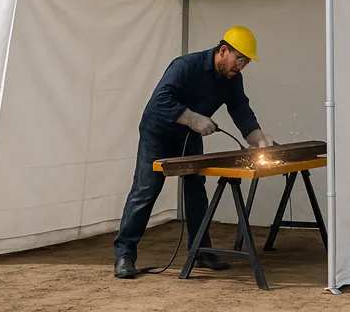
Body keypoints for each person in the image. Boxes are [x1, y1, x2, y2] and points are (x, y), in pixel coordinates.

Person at [113, 25, 276, 278]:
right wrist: (192, 118)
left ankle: (200, 250)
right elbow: (161, 100)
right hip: (158, 133)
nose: (241, 66)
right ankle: (124, 254)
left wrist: (257, 137)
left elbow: (240, 108)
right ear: (223, 50)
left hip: (189, 136)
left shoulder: (232, 78)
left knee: (196, 190)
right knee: (146, 191)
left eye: (245, 63)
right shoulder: (185, 66)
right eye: (239, 59)